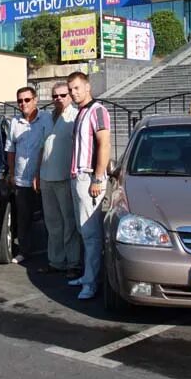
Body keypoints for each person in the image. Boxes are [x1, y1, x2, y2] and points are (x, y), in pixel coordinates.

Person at [66, 71, 111, 300]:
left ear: (87, 87)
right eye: (70, 89)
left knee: (92, 234)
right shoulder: (80, 112)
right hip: (77, 179)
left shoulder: (97, 111)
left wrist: (98, 177)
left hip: (89, 179)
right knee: (84, 231)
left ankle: (92, 283)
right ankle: (87, 275)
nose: (73, 93)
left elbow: (104, 144)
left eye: (76, 88)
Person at [39, 82, 82, 278]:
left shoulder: (75, 116)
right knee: (52, 222)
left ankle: (73, 263)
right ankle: (55, 261)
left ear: (70, 96)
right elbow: (42, 146)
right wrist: (36, 174)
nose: (59, 99)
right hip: (46, 176)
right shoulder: (47, 117)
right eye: (55, 96)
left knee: (69, 222)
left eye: (62, 95)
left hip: (65, 176)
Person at [5, 86, 52, 264]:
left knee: (49, 217)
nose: (23, 103)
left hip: (44, 178)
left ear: (35, 100)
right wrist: (11, 173)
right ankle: (24, 251)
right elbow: (10, 149)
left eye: (27, 100)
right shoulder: (15, 122)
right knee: (23, 218)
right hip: (21, 180)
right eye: (20, 100)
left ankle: (52, 253)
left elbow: (48, 146)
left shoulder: (46, 119)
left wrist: (40, 174)